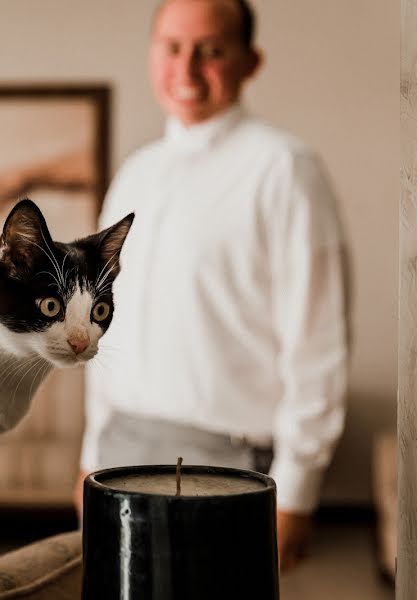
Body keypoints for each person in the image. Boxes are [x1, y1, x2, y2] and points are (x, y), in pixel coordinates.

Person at [75, 0, 351, 574]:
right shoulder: (135, 173)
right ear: (153, 53)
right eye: (173, 48)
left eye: (211, 51)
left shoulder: (285, 169)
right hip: (120, 449)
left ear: (251, 62)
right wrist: (91, 454)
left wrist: (297, 489)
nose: (187, 68)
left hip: (228, 464)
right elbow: (101, 324)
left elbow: (318, 342)